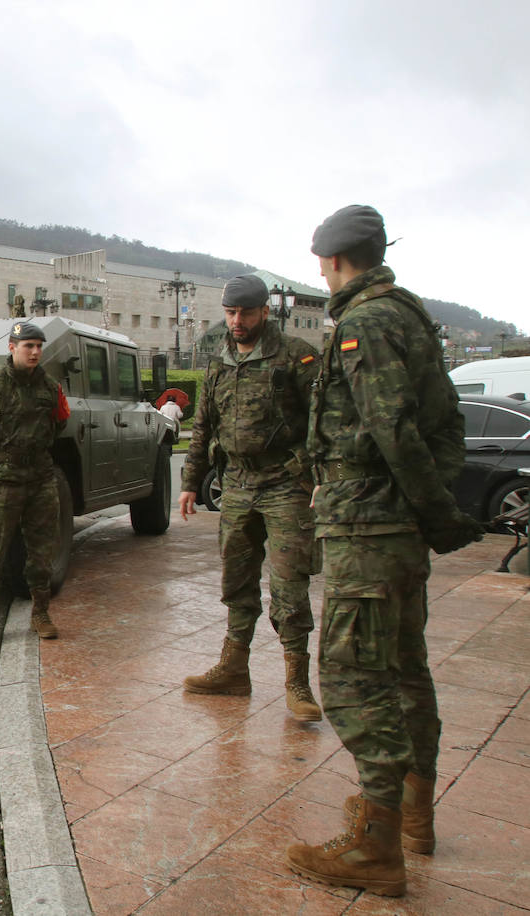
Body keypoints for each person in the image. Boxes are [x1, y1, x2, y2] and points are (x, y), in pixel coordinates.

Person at [285, 205, 484, 896]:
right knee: (404, 669)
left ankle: (375, 844)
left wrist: (436, 513)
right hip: (391, 526)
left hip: (368, 530)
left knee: (349, 676)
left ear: (333, 259)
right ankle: (412, 817)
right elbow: (442, 421)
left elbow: (392, 428)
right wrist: (427, 512)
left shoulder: (365, 322)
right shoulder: (410, 315)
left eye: (318, 259)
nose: (317, 269)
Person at [177, 275, 323, 721]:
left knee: (288, 585)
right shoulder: (219, 360)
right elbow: (203, 425)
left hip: (286, 485)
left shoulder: (298, 356)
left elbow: (325, 421)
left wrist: (325, 476)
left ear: (265, 311)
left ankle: (297, 682)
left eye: (244, 313)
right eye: (230, 313)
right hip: (237, 484)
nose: (236, 321)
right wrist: (190, 480)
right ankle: (234, 670)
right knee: (237, 582)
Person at [0, 321, 70, 644]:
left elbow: (59, 423)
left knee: (42, 549)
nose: (35, 352)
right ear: (12, 348)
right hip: (2, 478)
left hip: (40, 477)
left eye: (39, 346)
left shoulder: (50, 387)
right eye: (28, 346)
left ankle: (40, 612)